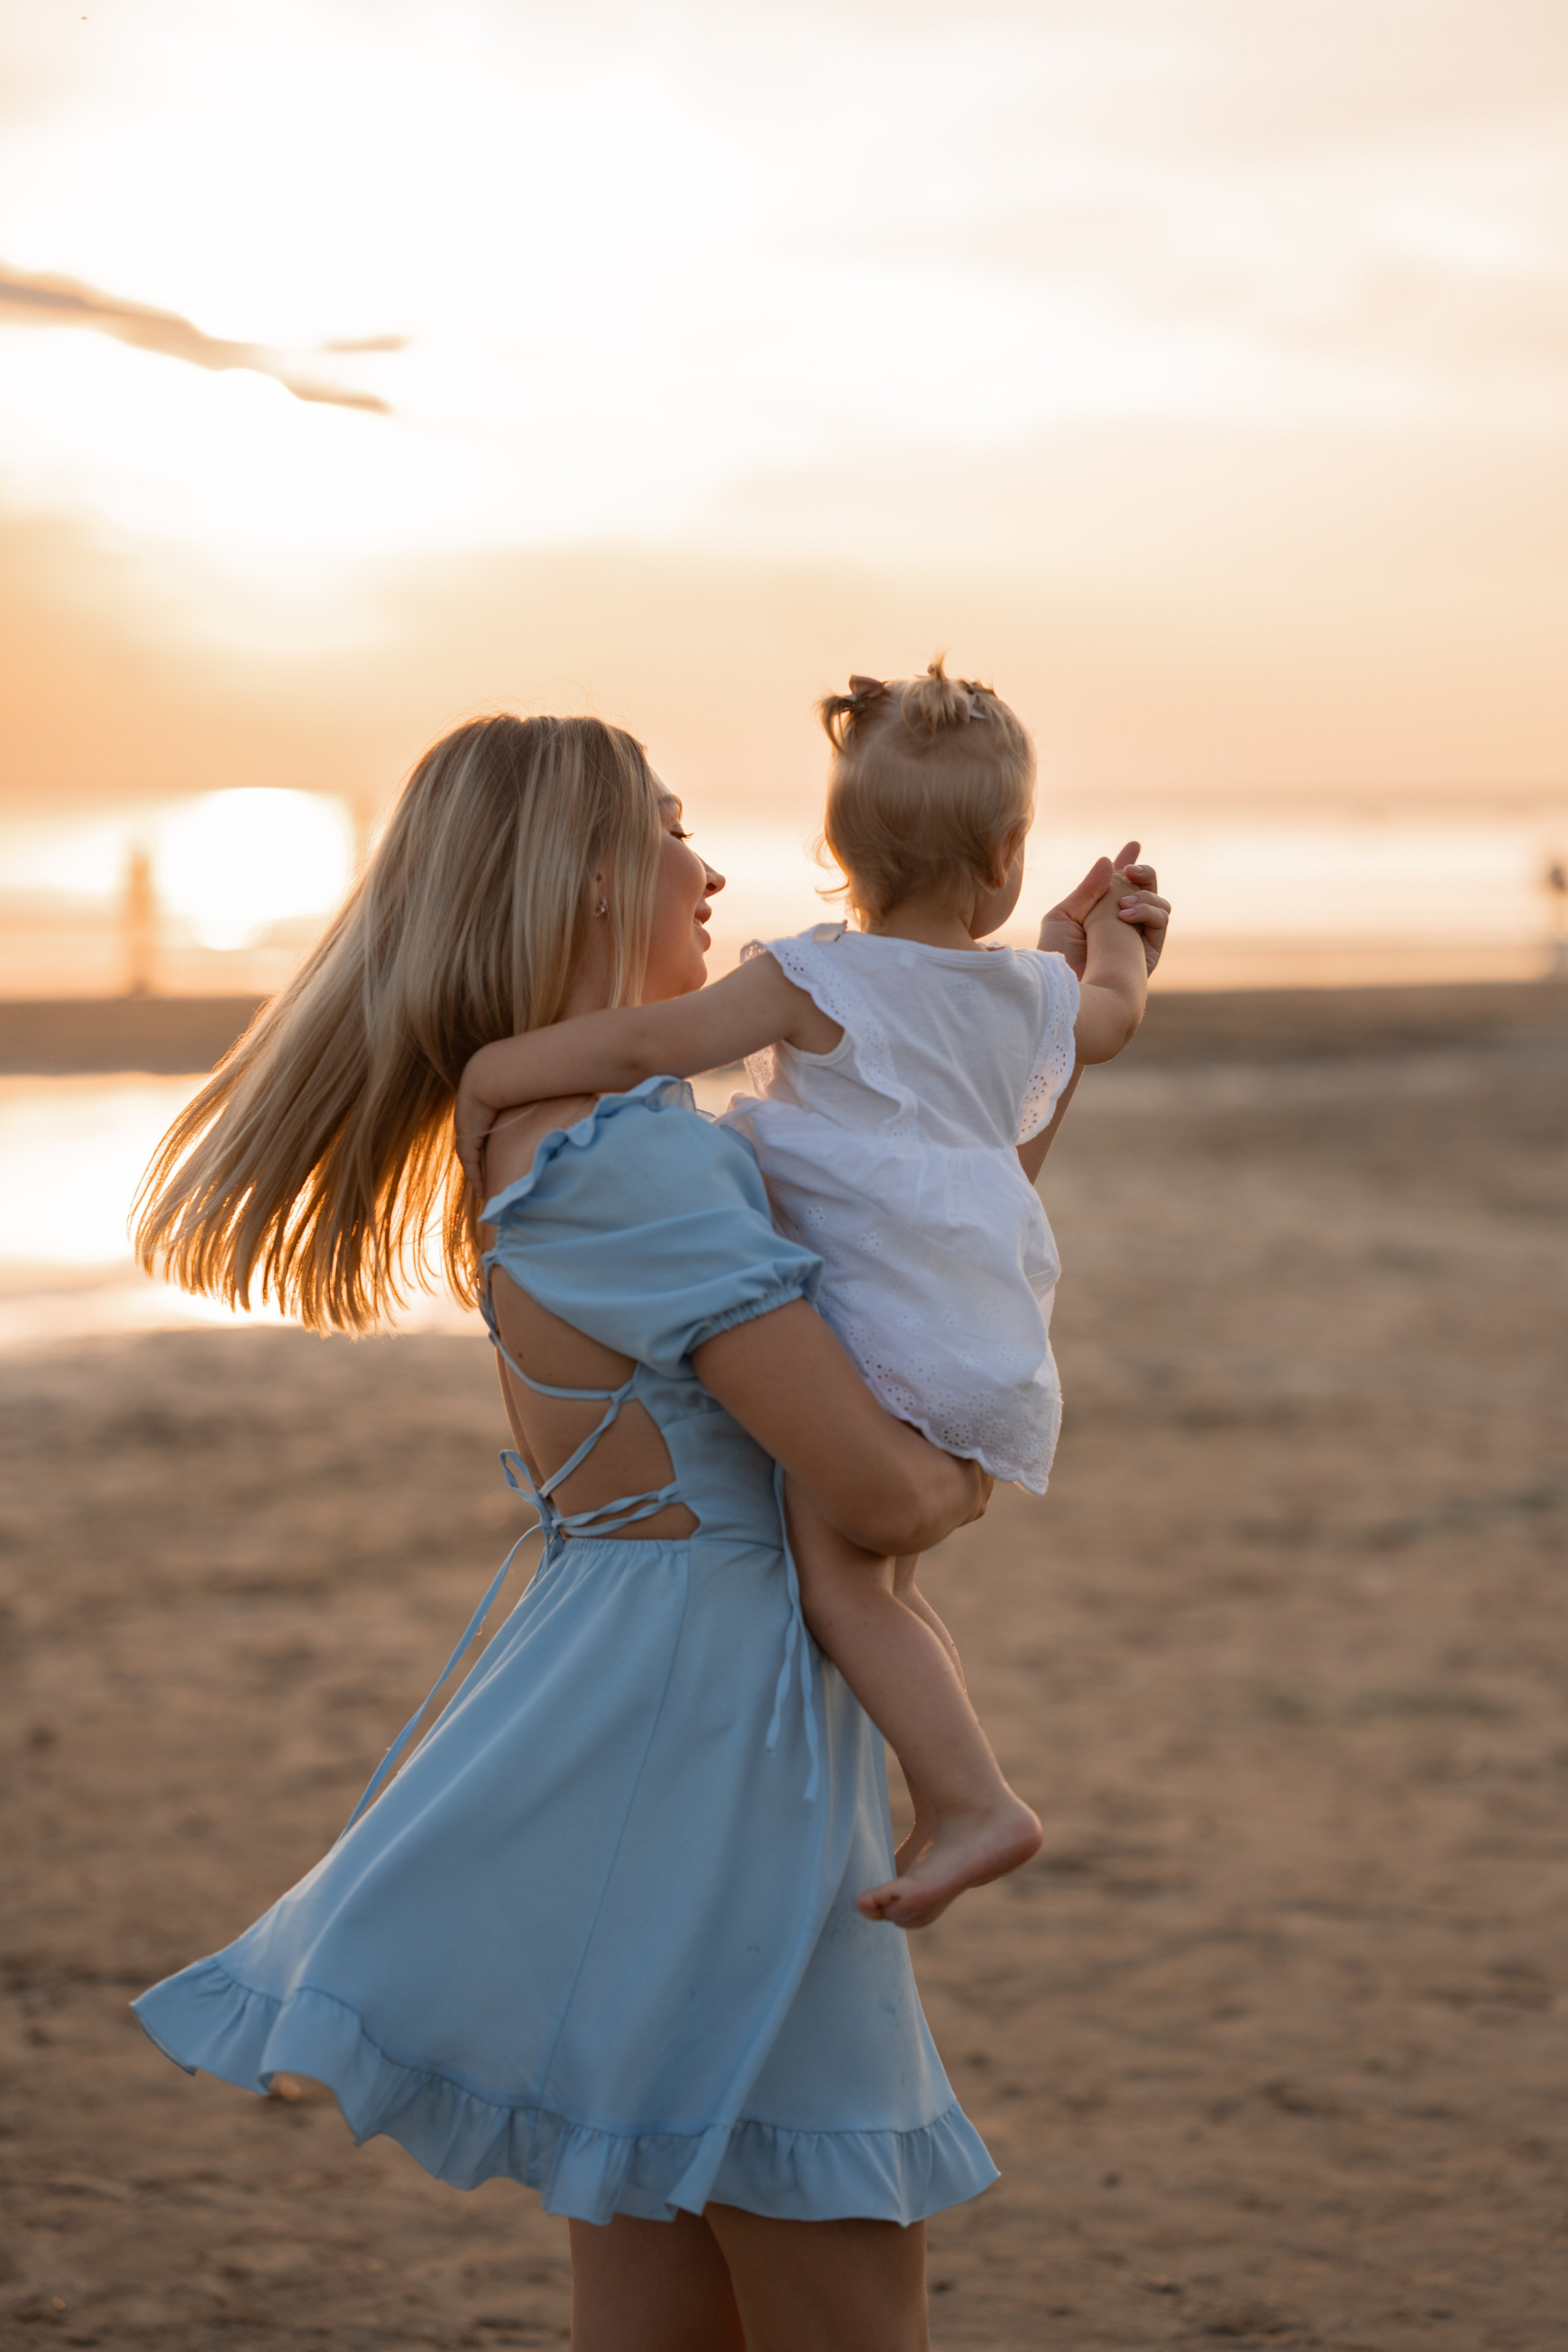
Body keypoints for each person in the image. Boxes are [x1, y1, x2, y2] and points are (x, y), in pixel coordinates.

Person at [130, 710, 1098, 2352]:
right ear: (579, 874)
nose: (710, 865)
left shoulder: (567, 1138)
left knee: (667, 2271)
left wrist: (1029, 1022)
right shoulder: (627, 1162)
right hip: (715, 1730)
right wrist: (964, 1482)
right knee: (833, 2263)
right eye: (666, 829)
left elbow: (938, 1218)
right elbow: (874, 1490)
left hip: (664, 1697)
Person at [454, 662, 1167, 1932]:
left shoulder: (807, 981)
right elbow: (1059, 1070)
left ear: (836, 851)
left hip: (885, 1338)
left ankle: (970, 1797)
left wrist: (490, 1076)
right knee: (885, 1588)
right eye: (676, 835)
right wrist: (1103, 950)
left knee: (848, 1584)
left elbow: (633, 1050)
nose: (710, 871)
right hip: (980, 1318)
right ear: (1007, 857)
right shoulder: (1027, 996)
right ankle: (961, 1789)